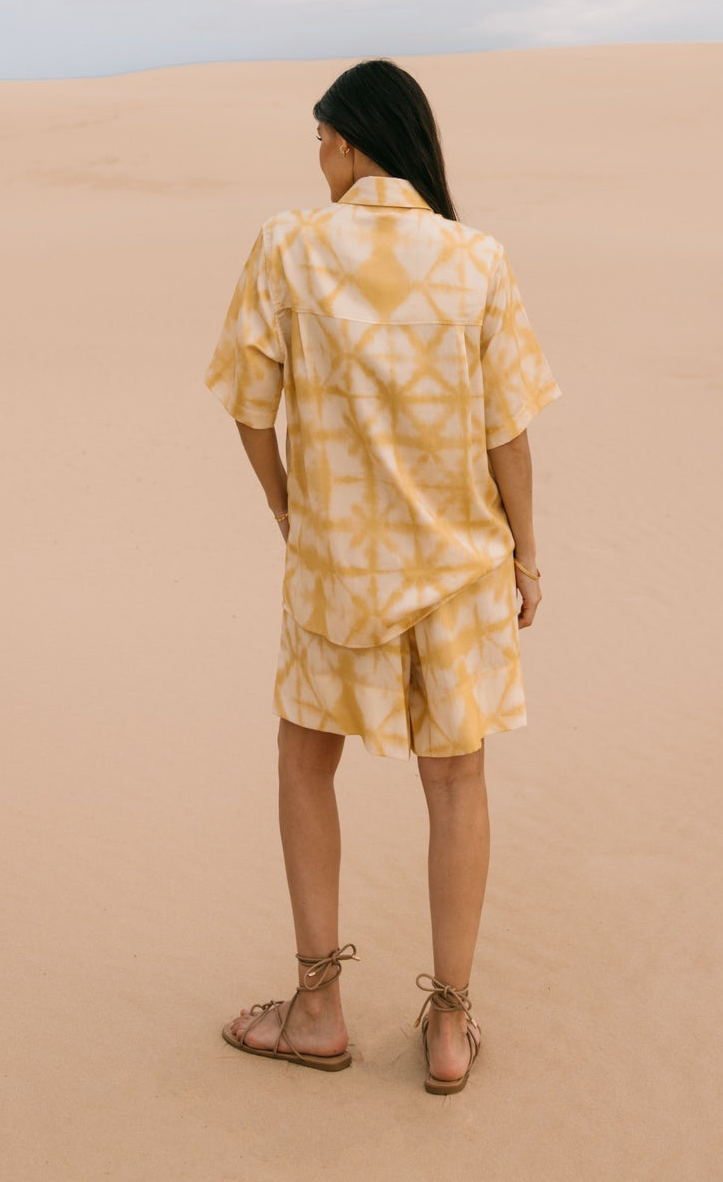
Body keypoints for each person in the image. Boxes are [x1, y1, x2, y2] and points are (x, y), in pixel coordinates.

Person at [205, 58, 560, 1094]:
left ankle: (317, 1006)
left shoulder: (290, 246)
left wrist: (286, 507)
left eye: (321, 139)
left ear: (357, 141)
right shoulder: (476, 259)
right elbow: (509, 431)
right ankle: (449, 1028)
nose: (316, 160)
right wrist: (526, 553)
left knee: (304, 758)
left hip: (337, 567)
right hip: (459, 571)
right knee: (456, 782)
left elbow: (245, 398)